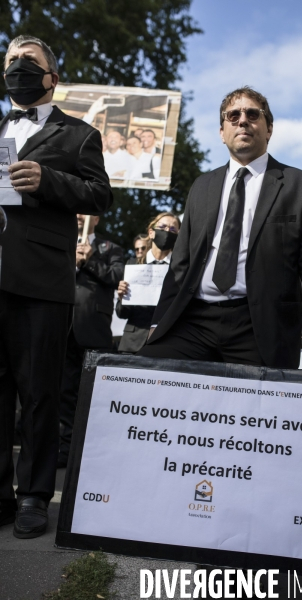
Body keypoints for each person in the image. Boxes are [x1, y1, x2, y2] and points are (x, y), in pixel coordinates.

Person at [138, 86, 302, 375]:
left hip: (259, 326)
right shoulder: (202, 186)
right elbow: (181, 263)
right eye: (233, 116)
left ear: (269, 129)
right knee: (142, 377)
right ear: (222, 131)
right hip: (192, 321)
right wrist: (159, 321)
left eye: (253, 114)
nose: (242, 120)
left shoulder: (298, 185)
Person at [0, 35, 113, 538]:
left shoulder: (79, 135)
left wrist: (48, 179)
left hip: (43, 280)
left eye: (29, 62)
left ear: (52, 77)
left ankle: (34, 496)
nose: (17, 68)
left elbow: (100, 194)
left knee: (40, 394)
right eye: (10, 62)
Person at [58, 214, 124, 468]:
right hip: (63, 327)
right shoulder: (63, 242)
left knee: (94, 392)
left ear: (95, 218)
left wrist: (90, 259)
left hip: (93, 329)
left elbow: (117, 275)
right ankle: (66, 447)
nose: (77, 215)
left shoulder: (110, 248)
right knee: (65, 392)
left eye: (84, 212)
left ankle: (93, 449)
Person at [116, 213, 181, 353]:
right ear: (151, 233)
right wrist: (122, 298)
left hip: (167, 344)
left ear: (179, 235)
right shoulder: (133, 264)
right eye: (162, 227)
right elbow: (121, 313)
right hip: (132, 343)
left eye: (173, 230)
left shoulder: (180, 269)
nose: (167, 232)